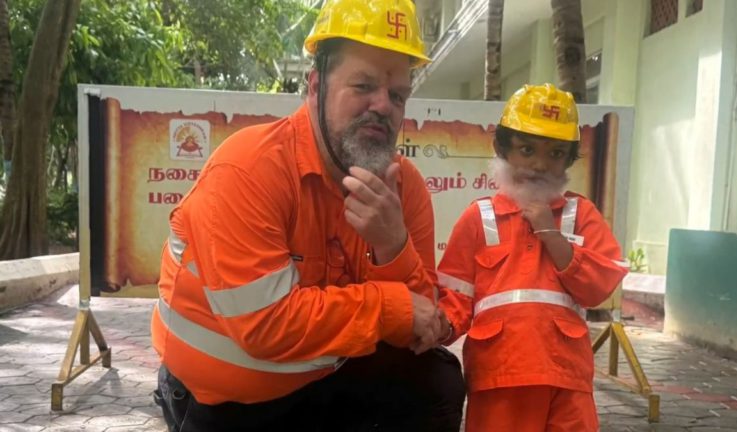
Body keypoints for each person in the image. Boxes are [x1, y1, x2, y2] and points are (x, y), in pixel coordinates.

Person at [151, 0, 465, 430]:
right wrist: (389, 307)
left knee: (438, 379)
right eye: (363, 86)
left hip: (324, 376)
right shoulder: (250, 168)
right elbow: (264, 326)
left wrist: (393, 245)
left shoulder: (404, 187)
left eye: (397, 95)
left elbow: (422, 326)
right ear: (315, 85)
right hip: (224, 404)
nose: (383, 106)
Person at [436, 83, 629, 431]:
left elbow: (599, 287)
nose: (539, 164)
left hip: (566, 375)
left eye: (555, 154)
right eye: (527, 149)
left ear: (569, 160)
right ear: (503, 150)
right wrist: (435, 328)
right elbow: (456, 298)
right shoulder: (479, 217)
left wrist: (550, 234)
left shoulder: (580, 213)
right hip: (499, 373)